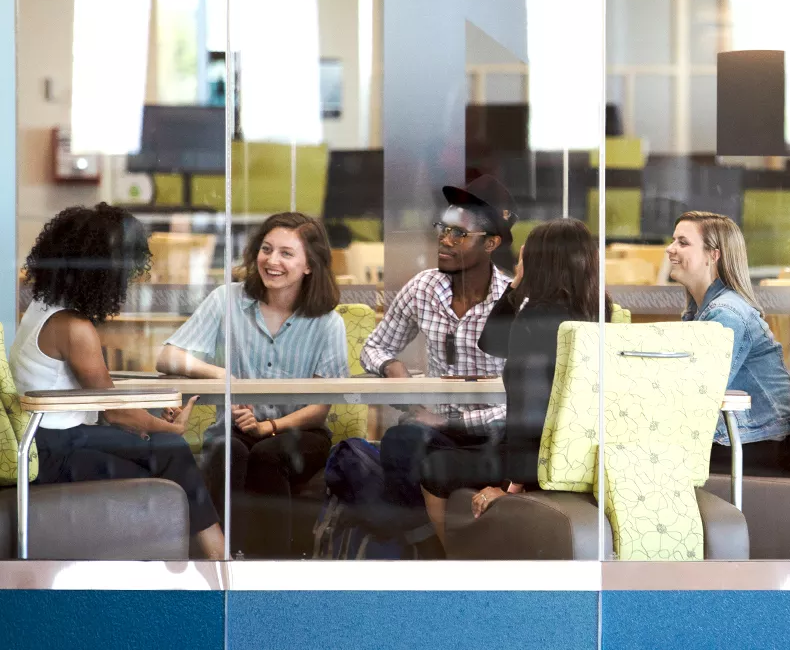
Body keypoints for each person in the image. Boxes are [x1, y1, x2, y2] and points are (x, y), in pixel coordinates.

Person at [10, 203, 224, 558]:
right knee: (169, 465)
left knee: (168, 451)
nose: (127, 279)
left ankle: (216, 553)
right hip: (50, 450)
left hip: (53, 437)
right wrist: (167, 428)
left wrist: (155, 427)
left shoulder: (43, 307)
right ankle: (217, 556)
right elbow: (115, 413)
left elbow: (106, 400)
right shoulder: (75, 329)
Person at [157, 211, 348, 558]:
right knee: (229, 450)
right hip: (234, 429)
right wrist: (221, 376)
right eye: (266, 249)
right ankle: (223, 561)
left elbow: (320, 407)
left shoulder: (327, 322)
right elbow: (167, 357)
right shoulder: (226, 299)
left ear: (309, 266)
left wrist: (268, 426)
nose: (272, 261)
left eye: (286, 253)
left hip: (298, 432)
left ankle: (273, 568)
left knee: (269, 455)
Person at [423, 218, 612, 542]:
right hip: (582, 455)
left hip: (537, 459)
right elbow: (493, 344)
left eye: (526, 256)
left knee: (433, 464)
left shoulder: (538, 318)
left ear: (540, 262)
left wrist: (511, 486)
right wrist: (517, 286)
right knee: (446, 440)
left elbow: (530, 410)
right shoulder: (599, 310)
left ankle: (444, 564)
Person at [360, 175, 516, 544]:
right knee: (401, 439)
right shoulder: (423, 288)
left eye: (459, 234)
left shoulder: (511, 301)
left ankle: (422, 549)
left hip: (493, 436)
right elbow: (373, 348)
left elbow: (517, 401)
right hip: (437, 433)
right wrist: (390, 366)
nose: (444, 241)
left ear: (491, 243)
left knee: (411, 447)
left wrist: (448, 421)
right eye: (442, 229)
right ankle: (421, 545)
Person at [668, 210, 790, 476]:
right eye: (673, 240)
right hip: (747, 437)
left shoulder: (727, 313)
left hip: (764, 442)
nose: (670, 249)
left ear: (713, 256)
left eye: (683, 242)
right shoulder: (700, 310)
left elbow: (700, 389)